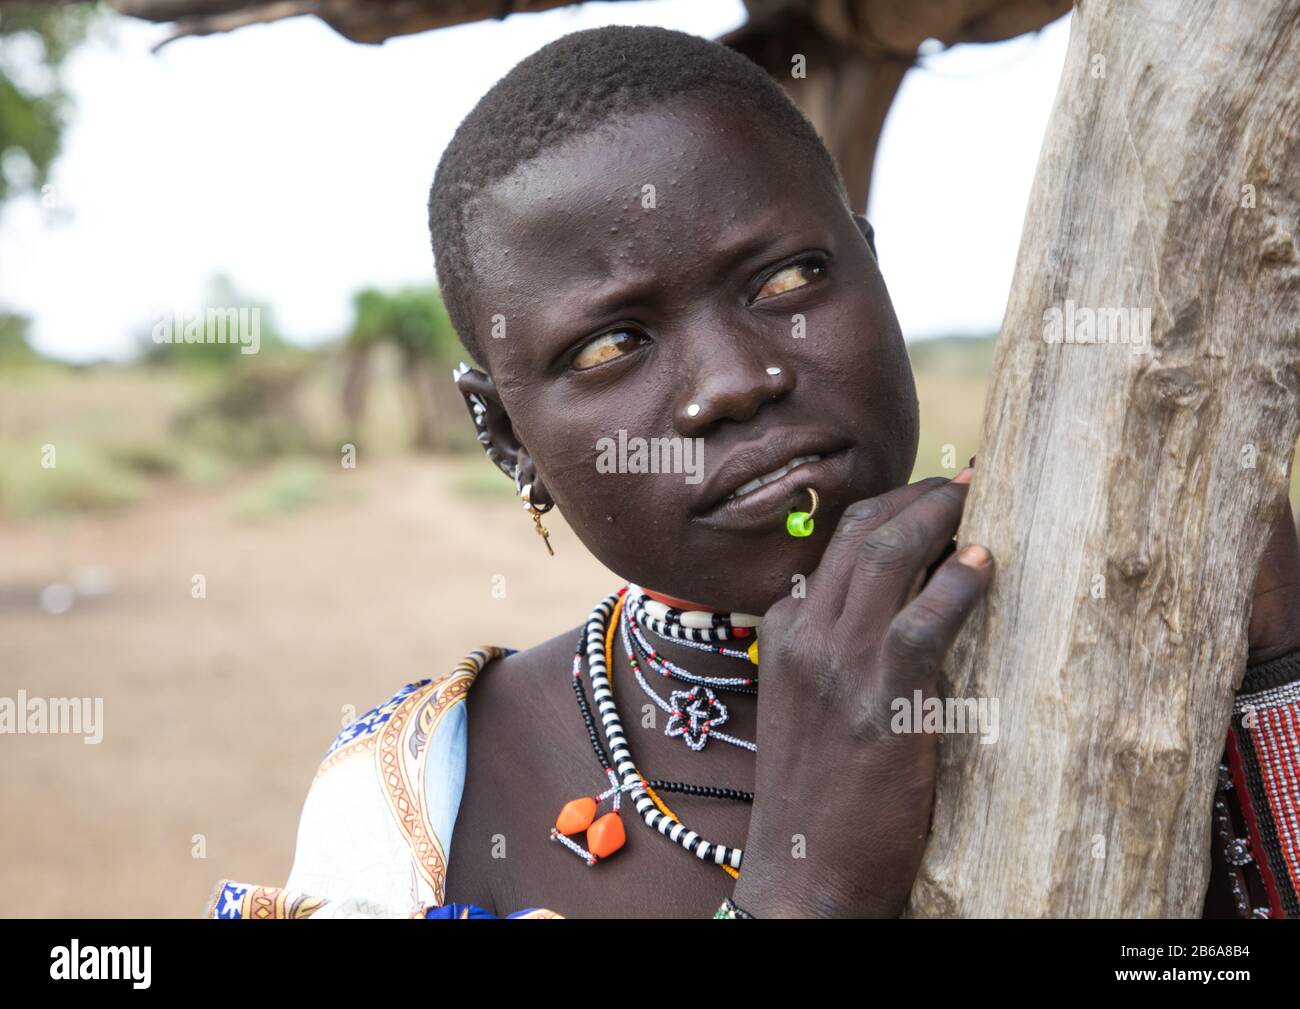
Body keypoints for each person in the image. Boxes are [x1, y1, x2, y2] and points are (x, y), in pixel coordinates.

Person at [207, 25, 1300, 920]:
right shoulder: (424, 802)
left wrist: (1276, 673)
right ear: (506, 436)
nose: (732, 382)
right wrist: (806, 882)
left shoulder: (1153, 633)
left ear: (873, 268)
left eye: (786, 279)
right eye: (610, 346)